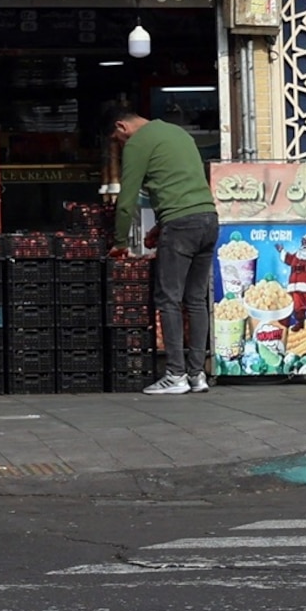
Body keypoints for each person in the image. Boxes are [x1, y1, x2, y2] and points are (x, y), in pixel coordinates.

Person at [111, 107, 219, 397]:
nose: (120, 144)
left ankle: (175, 374)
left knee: (169, 298)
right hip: (208, 220)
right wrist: (161, 226)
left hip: (181, 225)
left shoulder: (137, 142)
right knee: (195, 299)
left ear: (122, 126)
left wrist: (120, 241)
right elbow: (181, 185)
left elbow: (127, 198)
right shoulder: (176, 132)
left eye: (117, 138)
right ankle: (197, 375)